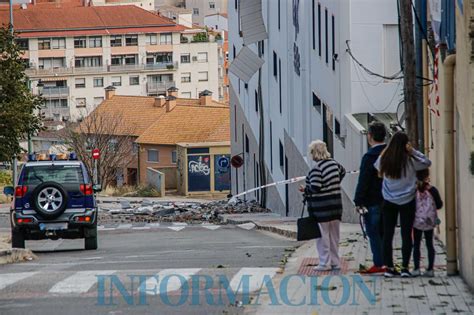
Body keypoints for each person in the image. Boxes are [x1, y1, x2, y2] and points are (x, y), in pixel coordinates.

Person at [374, 131, 431, 278]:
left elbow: (377, 168)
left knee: (388, 234)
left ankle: (389, 268)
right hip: (407, 200)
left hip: (388, 200)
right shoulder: (410, 160)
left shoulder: (384, 159)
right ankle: (405, 267)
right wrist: (413, 151)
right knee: (406, 234)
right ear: (406, 145)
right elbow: (426, 162)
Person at [300, 140, 346, 271]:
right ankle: (335, 262)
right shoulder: (334, 164)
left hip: (321, 208)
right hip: (336, 206)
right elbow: (343, 172)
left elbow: (315, 187)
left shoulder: (316, 168)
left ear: (314, 153)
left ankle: (324, 263)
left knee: (322, 237)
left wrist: (305, 190)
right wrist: (332, 185)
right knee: (334, 236)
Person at [354, 122, 387, 274]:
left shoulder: (369, 156)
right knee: (385, 231)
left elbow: (364, 180)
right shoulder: (389, 153)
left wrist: (358, 200)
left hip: (373, 200)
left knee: (373, 232)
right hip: (389, 199)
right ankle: (387, 261)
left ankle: (379, 263)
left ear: (370, 136)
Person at [412, 168, 443, 277]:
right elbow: (439, 205)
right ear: (427, 176)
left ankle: (416, 269)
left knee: (416, 244)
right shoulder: (432, 190)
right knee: (429, 244)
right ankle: (430, 269)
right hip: (429, 221)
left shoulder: (413, 190)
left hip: (416, 221)